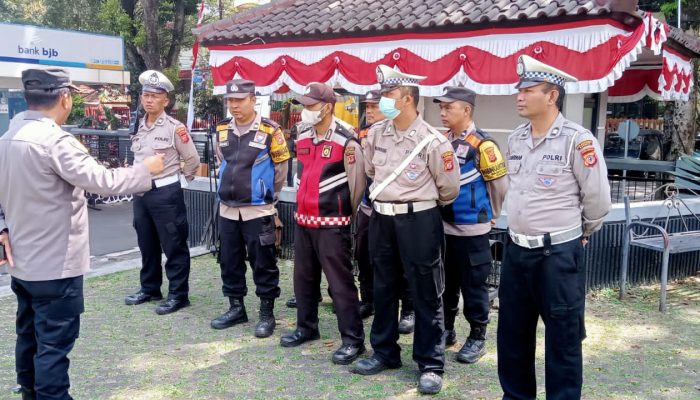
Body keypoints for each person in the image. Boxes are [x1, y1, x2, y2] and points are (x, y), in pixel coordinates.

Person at [0, 68, 165, 400]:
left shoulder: (7, 138)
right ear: (64, 97)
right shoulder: (55, 142)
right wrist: (144, 170)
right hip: (56, 264)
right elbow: (102, 181)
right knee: (54, 345)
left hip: (22, 262)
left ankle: (29, 392)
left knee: (29, 334)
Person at [498, 55, 612, 400]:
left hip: (558, 256)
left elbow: (597, 199)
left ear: (552, 96)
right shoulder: (516, 139)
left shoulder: (577, 141)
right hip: (516, 250)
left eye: (528, 90)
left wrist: (582, 233)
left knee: (562, 338)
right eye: (519, 90)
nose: (519, 96)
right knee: (513, 336)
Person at [352, 65, 460, 395]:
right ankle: (385, 352)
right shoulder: (376, 134)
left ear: (409, 99)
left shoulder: (433, 140)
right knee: (383, 285)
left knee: (426, 291)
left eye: (389, 96)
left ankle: (430, 363)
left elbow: (449, 189)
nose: (383, 101)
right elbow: (370, 170)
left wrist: (416, 204)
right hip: (382, 219)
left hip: (419, 220)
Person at [279, 82, 366, 366]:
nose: (305, 111)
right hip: (303, 220)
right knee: (303, 279)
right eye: (303, 105)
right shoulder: (303, 136)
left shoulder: (346, 140)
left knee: (340, 284)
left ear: (327, 107)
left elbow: (357, 185)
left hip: (332, 222)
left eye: (311, 106)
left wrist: (342, 212)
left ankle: (353, 339)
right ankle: (306, 327)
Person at [210, 79, 291, 338]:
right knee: (229, 261)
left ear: (253, 100)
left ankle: (267, 313)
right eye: (230, 101)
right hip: (227, 210)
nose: (233, 106)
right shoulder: (222, 129)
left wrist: (267, 193)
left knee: (263, 262)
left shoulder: (270, 131)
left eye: (239, 100)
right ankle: (236, 307)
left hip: (258, 210)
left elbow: (281, 169)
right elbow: (221, 161)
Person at [433, 87, 507, 363]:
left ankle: (477, 337)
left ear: (466, 110)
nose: (442, 112)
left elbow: (499, 185)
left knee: (473, 286)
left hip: (472, 230)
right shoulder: (440, 140)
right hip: (443, 228)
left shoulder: (483, 145)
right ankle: (447, 331)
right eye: (441, 107)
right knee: (445, 285)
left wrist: (492, 213)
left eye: (448, 107)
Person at [124, 70, 200, 315]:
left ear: (165, 100)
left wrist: (177, 182)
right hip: (141, 193)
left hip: (166, 193)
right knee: (146, 244)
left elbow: (192, 160)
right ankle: (150, 288)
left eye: (154, 96)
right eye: (145, 95)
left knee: (174, 245)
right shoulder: (138, 124)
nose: (148, 100)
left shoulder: (174, 128)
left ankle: (178, 294)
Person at [354, 90, 414, 326]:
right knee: (365, 257)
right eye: (366, 107)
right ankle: (368, 299)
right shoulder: (362, 135)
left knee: (403, 262)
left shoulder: (400, 134)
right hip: (369, 208)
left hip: (398, 211)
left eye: (374, 106)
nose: (369, 111)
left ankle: (408, 309)